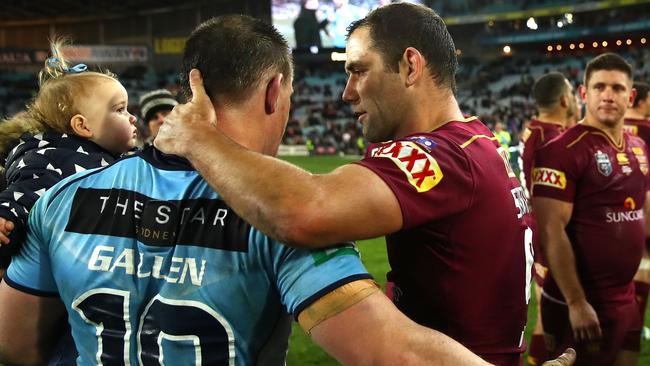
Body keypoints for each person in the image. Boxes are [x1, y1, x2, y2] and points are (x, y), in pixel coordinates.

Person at [0, 15, 577, 366]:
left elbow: (18, 345)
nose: (347, 93)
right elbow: (385, 350)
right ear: (276, 91)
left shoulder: (61, 199)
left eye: (357, 71)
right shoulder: (276, 220)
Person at [155, 4, 535, 365]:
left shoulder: (441, 158)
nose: (347, 92)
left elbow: (301, 211)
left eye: (359, 70)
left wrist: (198, 137)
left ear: (410, 66)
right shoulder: (477, 141)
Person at [532, 53, 649, 366]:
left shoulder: (638, 148)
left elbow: (641, 208)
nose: (608, 95)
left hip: (625, 298)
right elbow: (550, 230)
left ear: (631, 95)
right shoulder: (561, 150)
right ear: (583, 94)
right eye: (599, 87)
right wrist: (576, 301)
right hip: (582, 304)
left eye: (617, 88)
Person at [0, 38, 138, 276]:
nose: (132, 117)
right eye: (120, 110)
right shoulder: (53, 157)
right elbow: (26, 192)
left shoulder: (114, 157)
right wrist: (5, 216)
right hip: (53, 284)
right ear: (83, 127)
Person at [520, 71, 577, 365]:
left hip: (537, 232)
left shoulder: (536, 131)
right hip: (550, 236)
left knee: (546, 317)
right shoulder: (553, 140)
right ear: (566, 99)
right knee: (557, 317)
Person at [623, 81, 650, 349]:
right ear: (641, 100)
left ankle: (633, 326)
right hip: (646, 202)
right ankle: (636, 327)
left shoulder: (615, 127)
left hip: (621, 209)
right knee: (645, 266)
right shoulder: (647, 128)